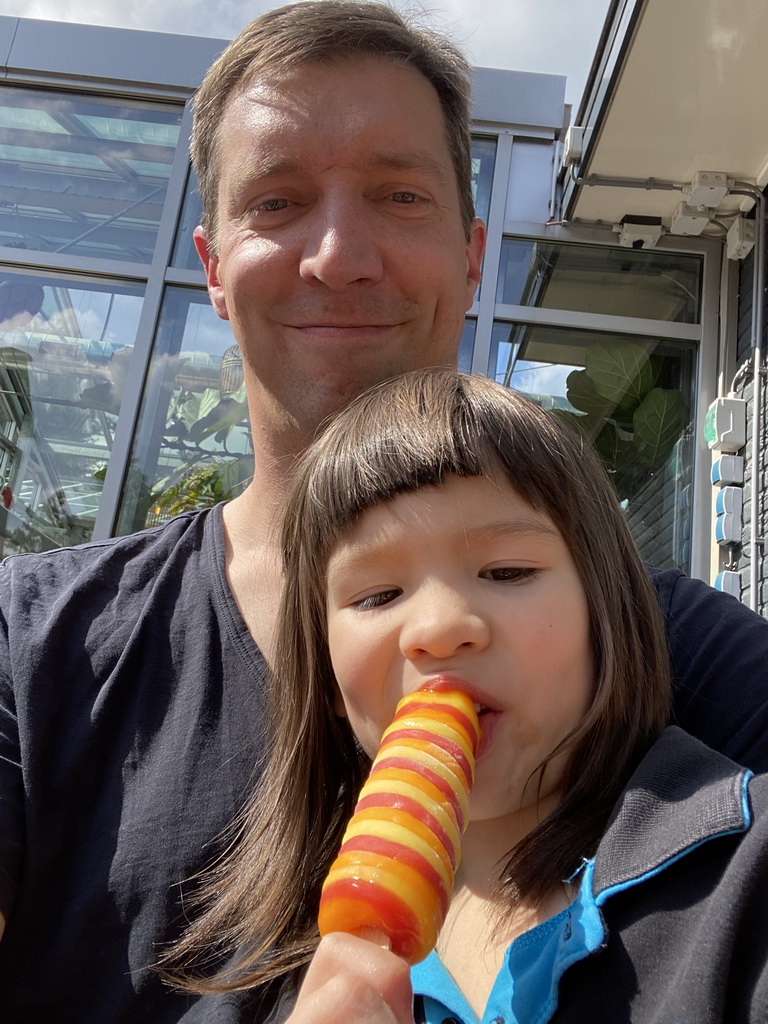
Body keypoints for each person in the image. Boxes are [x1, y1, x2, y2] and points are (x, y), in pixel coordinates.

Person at [0, 2, 766, 1021]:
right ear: (213, 269)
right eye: (276, 202)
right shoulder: (31, 647)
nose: (338, 255)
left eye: (398, 194)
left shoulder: (666, 651)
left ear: (471, 252)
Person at [169, 368, 768, 1023]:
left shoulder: (744, 873)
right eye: (376, 595)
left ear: (606, 618)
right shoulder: (271, 989)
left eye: (508, 571)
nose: (438, 628)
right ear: (331, 683)